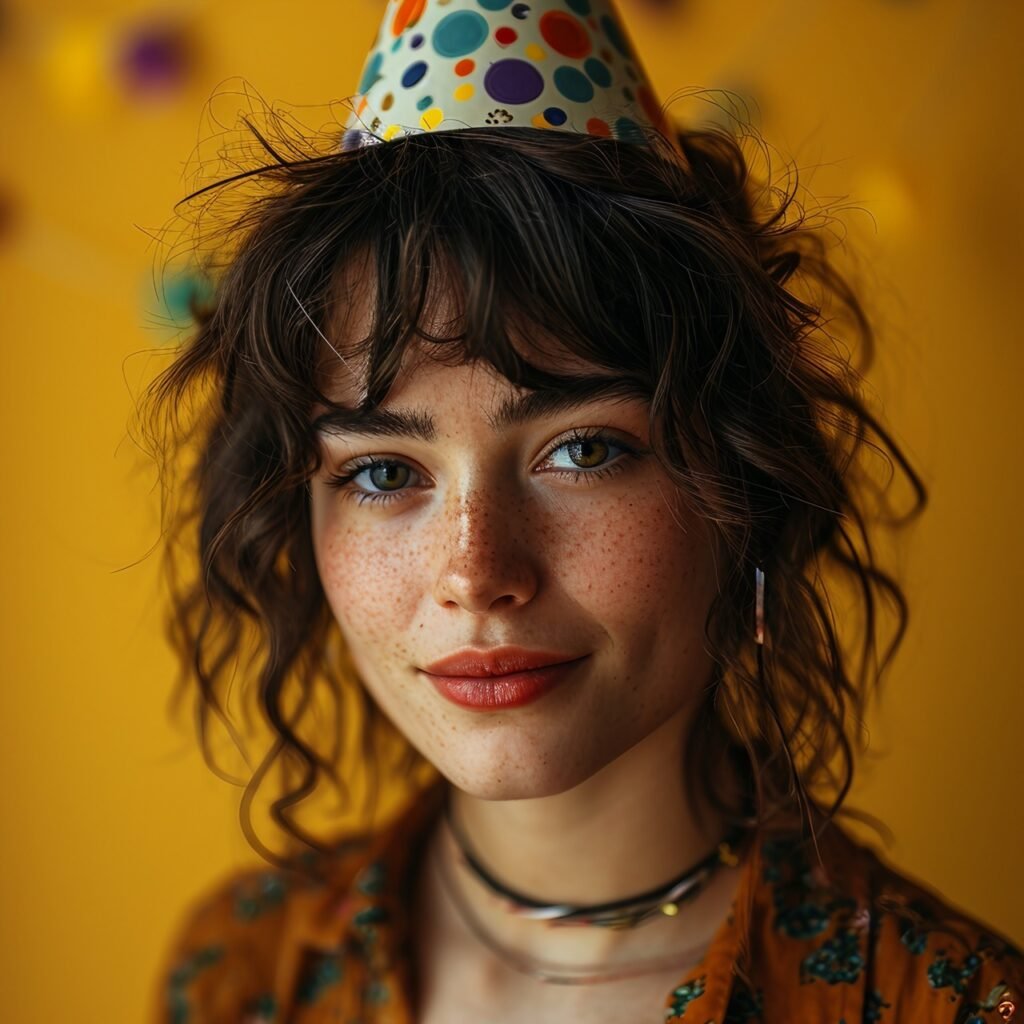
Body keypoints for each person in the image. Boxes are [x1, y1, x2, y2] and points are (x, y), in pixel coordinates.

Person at [142, 1, 1023, 1021]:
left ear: (743, 484)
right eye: (384, 473)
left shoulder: (941, 1005)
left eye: (583, 450)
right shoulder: (242, 974)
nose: (476, 573)